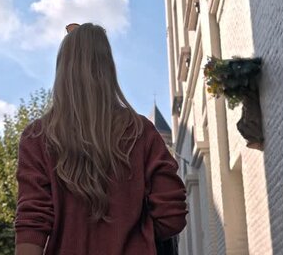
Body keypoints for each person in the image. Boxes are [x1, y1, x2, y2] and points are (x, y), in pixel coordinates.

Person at [15, 23, 187, 255]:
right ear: (108, 69)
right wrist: (135, 237)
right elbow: (172, 216)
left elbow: (31, 224)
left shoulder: (37, 137)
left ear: (62, 70)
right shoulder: (141, 132)